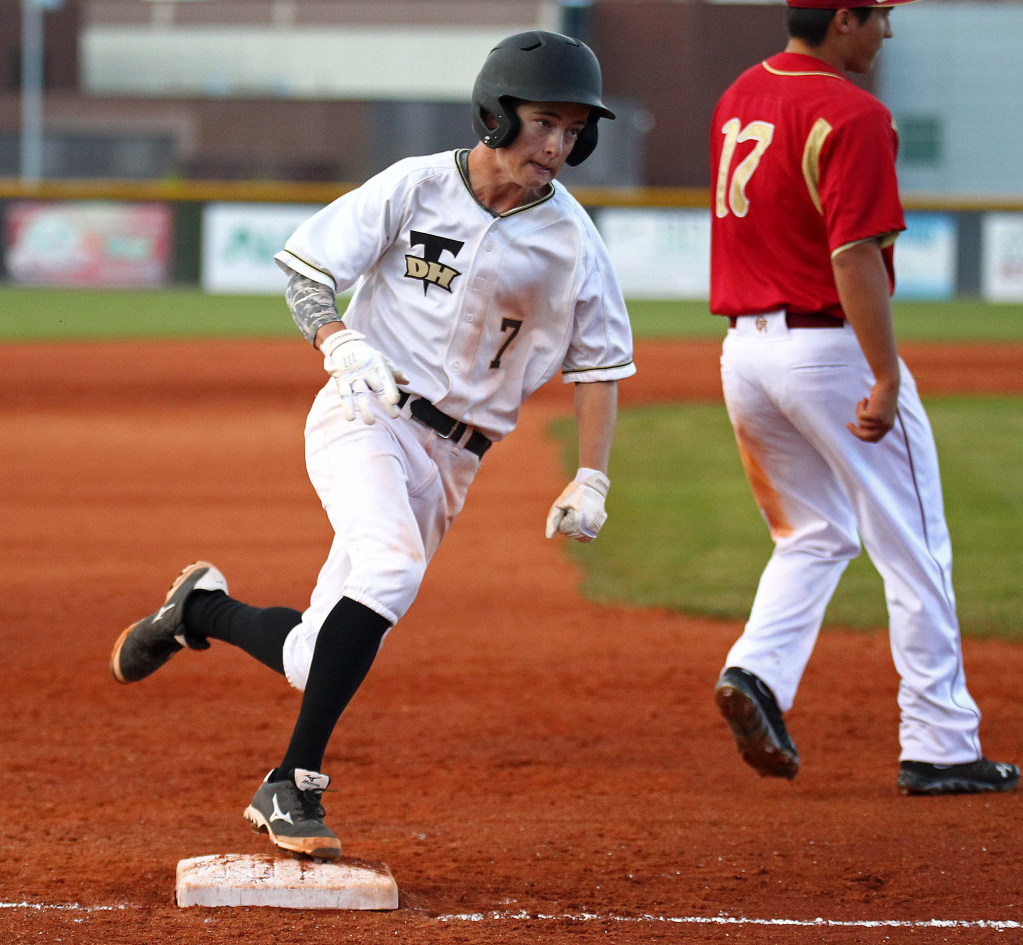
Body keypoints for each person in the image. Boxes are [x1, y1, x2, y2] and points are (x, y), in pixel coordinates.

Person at [109, 31, 634, 860]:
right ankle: (292, 780)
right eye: (543, 122)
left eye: (574, 130)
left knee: (319, 654)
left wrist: (593, 476)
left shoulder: (574, 242)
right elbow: (305, 269)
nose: (558, 145)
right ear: (496, 115)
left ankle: (197, 608)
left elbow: (600, 364)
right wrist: (337, 341)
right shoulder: (418, 185)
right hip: (366, 415)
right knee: (391, 568)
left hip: (455, 462)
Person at [708, 0, 1018, 796]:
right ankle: (942, 743)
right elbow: (852, 256)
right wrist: (883, 374)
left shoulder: (739, 93)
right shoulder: (853, 112)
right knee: (914, 546)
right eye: (879, 16)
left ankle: (757, 674)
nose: (887, 30)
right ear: (842, 19)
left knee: (812, 533)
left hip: (744, 353)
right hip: (827, 349)